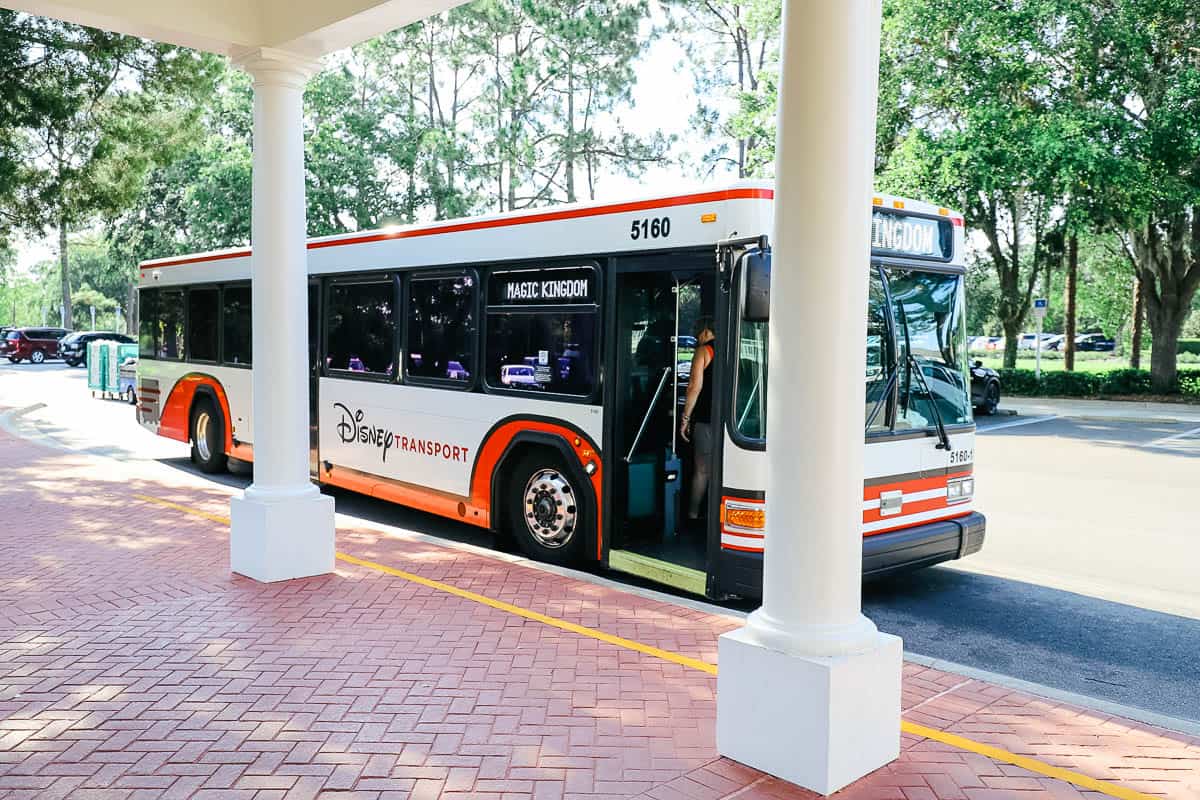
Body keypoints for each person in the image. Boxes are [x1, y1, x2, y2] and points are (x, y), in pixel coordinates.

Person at [679, 316, 716, 523]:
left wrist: (685, 418)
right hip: (727, 422)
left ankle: (693, 516)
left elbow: (694, 387)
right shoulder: (731, 347)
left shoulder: (704, 351)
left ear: (704, 331)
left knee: (702, 471)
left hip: (705, 419)